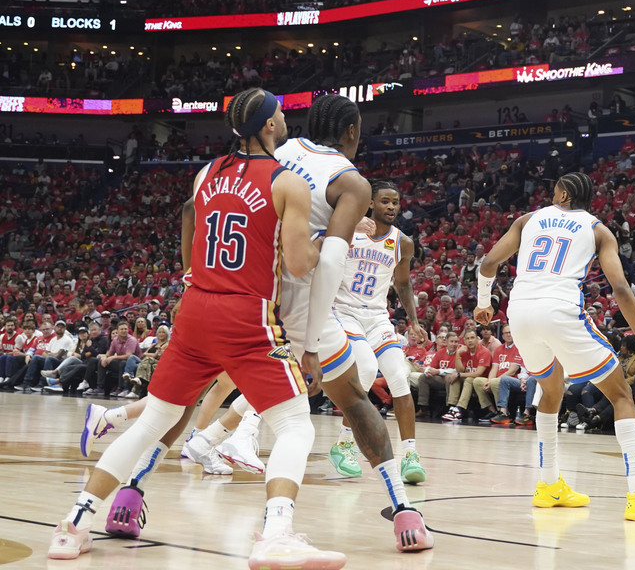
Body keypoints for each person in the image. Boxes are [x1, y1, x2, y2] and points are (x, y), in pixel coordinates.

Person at [47, 87, 348, 568]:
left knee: (152, 423)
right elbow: (297, 263)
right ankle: (276, 534)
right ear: (270, 125)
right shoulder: (287, 181)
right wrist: (329, 240)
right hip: (245, 313)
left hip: (195, 308)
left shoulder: (205, 173)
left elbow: (196, 225)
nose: (285, 120)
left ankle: (73, 525)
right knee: (295, 425)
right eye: (280, 114)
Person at [195, 93, 432, 551]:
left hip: (250, 300)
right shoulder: (350, 181)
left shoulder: (276, 153)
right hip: (307, 312)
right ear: (351, 131)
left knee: (181, 398)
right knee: (347, 401)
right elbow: (329, 264)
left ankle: (166, 462)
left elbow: (200, 210)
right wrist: (310, 343)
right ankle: (402, 510)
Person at [473, 172, 635, 520]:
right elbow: (621, 289)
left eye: (554, 191)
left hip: (519, 312)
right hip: (560, 310)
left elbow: (489, 263)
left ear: (564, 194)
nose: (551, 195)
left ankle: (549, 484)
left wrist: (483, 303)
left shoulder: (527, 219)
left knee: (550, 392)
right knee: (622, 396)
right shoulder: (598, 230)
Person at [323, 179, 428, 484]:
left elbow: (403, 283)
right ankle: (343, 444)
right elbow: (320, 243)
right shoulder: (350, 229)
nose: (391, 206)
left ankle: (410, 455)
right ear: (370, 203)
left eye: (395, 202)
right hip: (344, 311)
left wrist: (413, 320)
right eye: (385, 201)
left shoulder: (403, 242)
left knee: (399, 376)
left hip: (377, 316)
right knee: (367, 369)